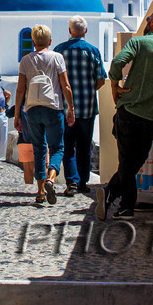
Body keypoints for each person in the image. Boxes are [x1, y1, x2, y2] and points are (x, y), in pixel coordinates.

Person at [105, 10, 153, 219]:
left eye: (148, 19)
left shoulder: (138, 43)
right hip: (150, 116)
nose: (147, 22)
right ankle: (120, 201)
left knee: (128, 161)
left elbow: (118, 62)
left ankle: (113, 195)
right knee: (136, 160)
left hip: (129, 111)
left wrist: (114, 85)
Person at [14, 24, 74, 205]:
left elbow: (20, 89)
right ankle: (52, 178)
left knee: (39, 149)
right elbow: (65, 85)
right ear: (50, 41)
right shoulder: (57, 58)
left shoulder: (26, 60)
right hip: (53, 108)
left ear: (33, 42)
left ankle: (40, 192)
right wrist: (70, 107)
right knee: (57, 147)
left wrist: (17, 114)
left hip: (32, 109)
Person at [56, 16, 106, 195]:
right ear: (85, 31)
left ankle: (72, 182)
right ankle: (83, 182)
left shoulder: (59, 51)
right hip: (87, 107)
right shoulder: (93, 51)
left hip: (65, 108)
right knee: (84, 146)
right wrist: (90, 88)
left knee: (67, 146)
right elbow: (101, 79)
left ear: (70, 31)